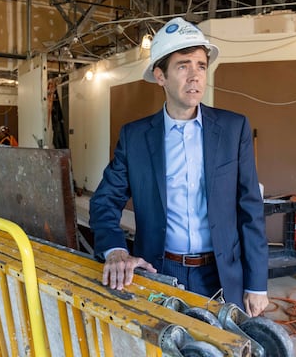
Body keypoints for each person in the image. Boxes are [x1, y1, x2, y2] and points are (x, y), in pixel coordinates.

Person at [88, 17, 269, 317]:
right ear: (160, 76)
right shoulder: (135, 138)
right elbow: (105, 200)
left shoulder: (233, 128)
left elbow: (250, 207)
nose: (195, 76)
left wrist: (257, 283)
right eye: (183, 66)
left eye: (200, 65)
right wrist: (115, 250)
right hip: (159, 267)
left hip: (221, 273)